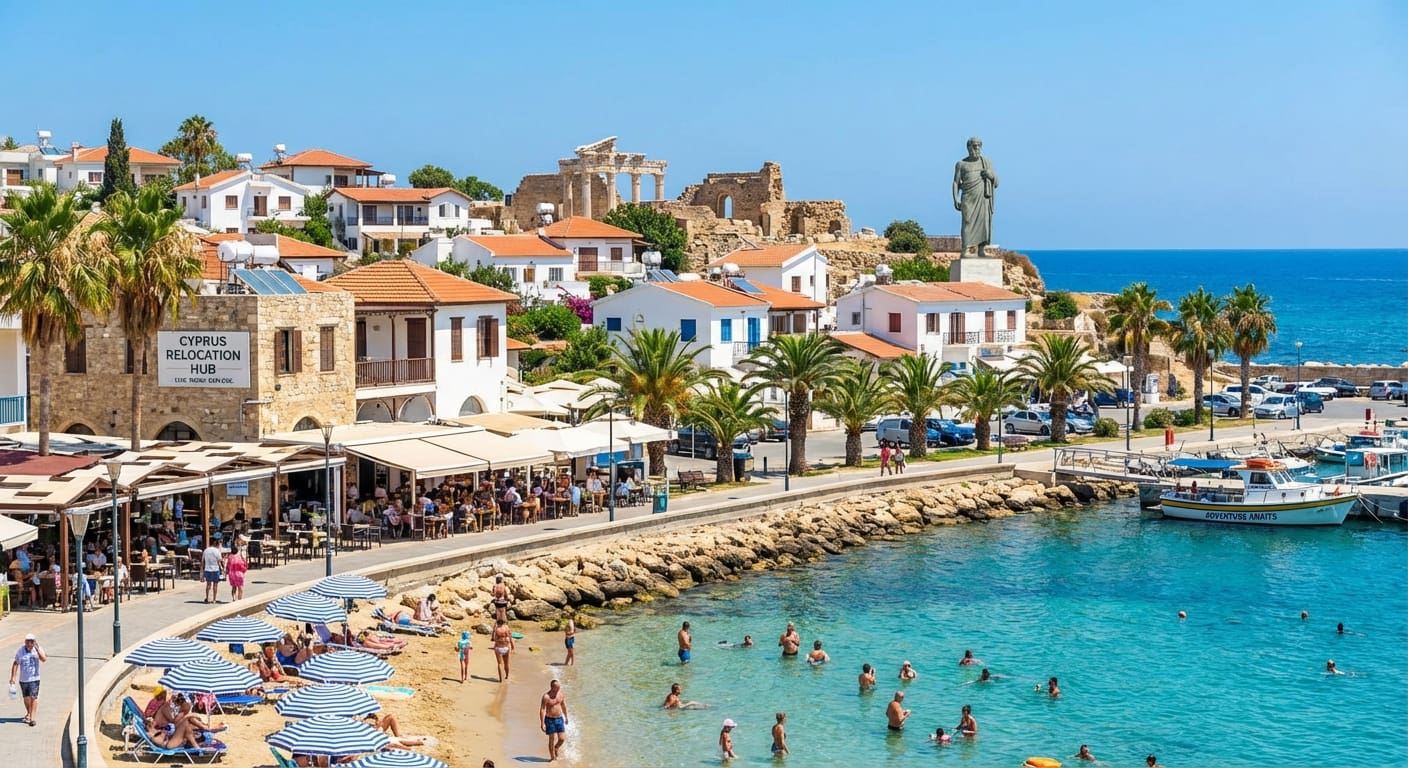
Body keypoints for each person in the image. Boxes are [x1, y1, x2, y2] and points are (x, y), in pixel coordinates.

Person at [952, 136, 999, 257]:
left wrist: (990, 175)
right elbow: (956, 182)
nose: (977, 148)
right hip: (968, 197)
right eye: (974, 146)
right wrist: (955, 198)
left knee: (984, 223)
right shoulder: (961, 164)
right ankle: (966, 249)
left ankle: (981, 249)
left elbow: (997, 182)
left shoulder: (987, 163)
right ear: (968, 147)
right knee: (967, 222)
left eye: (979, 146)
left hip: (983, 197)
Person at [10, 634, 46, 727]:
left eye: (31, 641)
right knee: (26, 698)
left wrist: (37, 649)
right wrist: (13, 677)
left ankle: (32, 719)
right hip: (24, 679)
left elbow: (44, 659)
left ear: (34, 642)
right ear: (25, 642)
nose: (29, 644)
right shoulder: (21, 651)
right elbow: (16, 663)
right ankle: (29, 713)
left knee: (33, 697)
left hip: (35, 678)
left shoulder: (38, 649)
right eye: (28, 642)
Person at [539, 679, 568, 762]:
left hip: (559, 718)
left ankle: (556, 748)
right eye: (557, 687)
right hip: (549, 719)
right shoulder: (546, 697)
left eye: (559, 687)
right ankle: (552, 757)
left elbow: (563, 705)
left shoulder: (561, 694)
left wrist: (566, 717)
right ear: (552, 687)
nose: (559, 689)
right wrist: (542, 723)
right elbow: (542, 709)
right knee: (551, 739)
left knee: (562, 739)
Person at [201, 539, 224, 604]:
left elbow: (202, 561)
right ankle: (214, 599)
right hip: (215, 569)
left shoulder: (206, 550)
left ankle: (207, 598)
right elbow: (219, 560)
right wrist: (222, 568)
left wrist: (202, 571)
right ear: (216, 544)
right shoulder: (217, 551)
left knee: (208, 584)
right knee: (215, 585)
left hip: (207, 569)